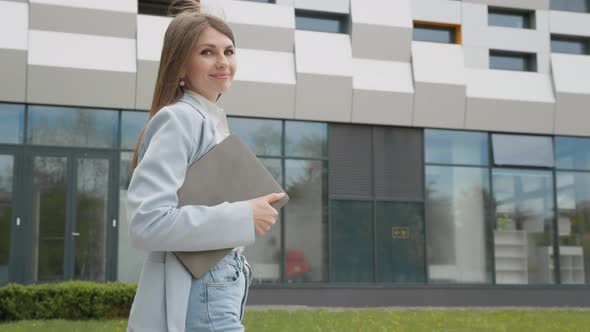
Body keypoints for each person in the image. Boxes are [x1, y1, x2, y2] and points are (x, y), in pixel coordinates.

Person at [126, 1, 284, 331]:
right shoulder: (179, 118)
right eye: (207, 53)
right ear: (179, 67)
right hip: (204, 284)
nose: (223, 62)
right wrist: (243, 215)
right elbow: (147, 222)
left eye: (229, 51)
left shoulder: (206, 121)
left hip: (219, 277)